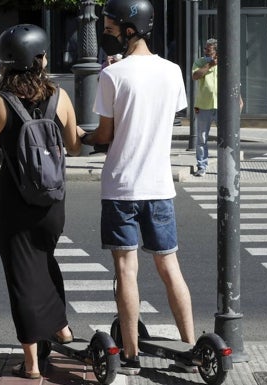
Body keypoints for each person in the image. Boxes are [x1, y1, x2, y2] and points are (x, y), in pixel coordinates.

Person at [80, 0, 196, 374]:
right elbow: (168, 115)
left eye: (111, 28)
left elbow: (104, 134)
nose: (107, 33)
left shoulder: (113, 76)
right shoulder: (173, 71)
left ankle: (129, 355)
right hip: (159, 186)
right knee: (170, 268)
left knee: (126, 271)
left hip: (121, 187)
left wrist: (83, 136)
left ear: (130, 29)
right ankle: (191, 348)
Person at [0, 23, 84, 379]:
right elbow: (73, 146)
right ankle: (62, 328)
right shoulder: (61, 97)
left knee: (21, 278)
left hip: (12, 203)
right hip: (53, 202)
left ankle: (32, 364)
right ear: (39, 58)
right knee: (45, 263)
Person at [191, 38, 218, 177]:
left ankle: (228, 164)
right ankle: (202, 166)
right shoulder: (200, 62)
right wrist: (209, 65)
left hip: (222, 106)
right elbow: (195, 76)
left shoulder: (225, 61)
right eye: (205, 49)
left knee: (227, 137)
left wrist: (239, 98)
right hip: (203, 106)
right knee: (202, 138)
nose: (205, 51)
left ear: (216, 51)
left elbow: (234, 81)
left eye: (209, 49)